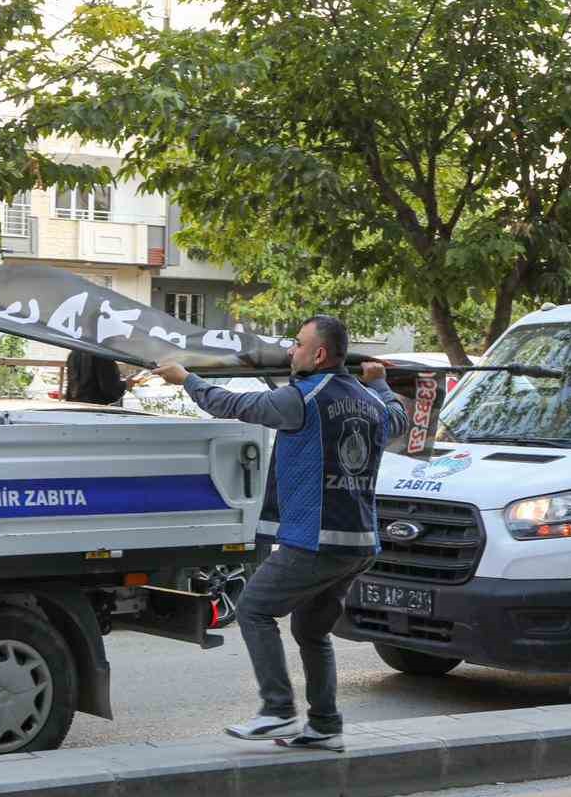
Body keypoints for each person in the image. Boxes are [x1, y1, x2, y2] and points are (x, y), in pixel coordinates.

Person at [136, 315, 407, 751]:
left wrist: (185, 378)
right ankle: (324, 724)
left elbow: (230, 405)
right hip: (359, 541)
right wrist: (379, 382)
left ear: (318, 354)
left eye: (297, 345)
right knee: (312, 632)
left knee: (254, 610)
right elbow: (398, 419)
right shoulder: (372, 403)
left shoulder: (302, 399)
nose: (289, 351)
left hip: (315, 541)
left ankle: (278, 711)